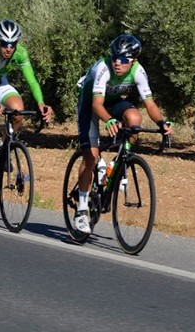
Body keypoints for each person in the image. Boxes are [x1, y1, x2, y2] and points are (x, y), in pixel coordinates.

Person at [72, 33, 173, 233]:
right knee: (90, 157)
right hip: (90, 104)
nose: (117, 63)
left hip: (113, 101)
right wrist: (108, 119)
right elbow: (97, 105)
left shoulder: (138, 71)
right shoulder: (103, 68)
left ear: (134, 60)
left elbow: (150, 104)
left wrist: (162, 123)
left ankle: (114, 165)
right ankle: (82, 209)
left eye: (123, 60)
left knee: (135, 119)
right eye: (115, 57)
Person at [0, 19, 53, 202]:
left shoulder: (20, 53)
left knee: (17, 111)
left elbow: (32, 81)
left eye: (12, 44)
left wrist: (41, 103)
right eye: (4, 44)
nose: (8, 48)